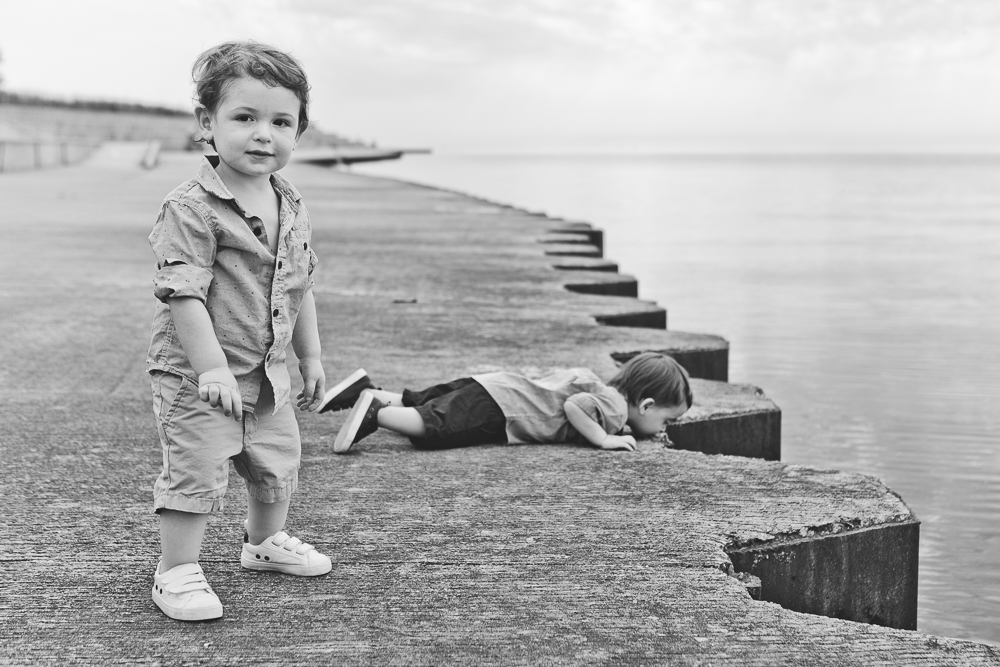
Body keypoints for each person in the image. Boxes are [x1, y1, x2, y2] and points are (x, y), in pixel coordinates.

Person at [146, 41, 330, 622]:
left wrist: (313, 359)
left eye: (281, 122)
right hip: (199, 374)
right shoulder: (191, 208)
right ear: (208, 123)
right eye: (244, 117)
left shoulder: (292, 204)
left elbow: (298, 289)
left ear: (299, 131)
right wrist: (212, 369)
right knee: (197, 467)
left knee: (276, 462)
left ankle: (263, 544)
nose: (262, 135)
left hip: (268, 371)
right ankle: (175, 570)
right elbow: (184, 294)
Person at [328, 353, 693, 454]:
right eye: (666, 420)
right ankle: (378, 414)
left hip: (493, 384)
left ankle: (371, 390)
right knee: (436, 427)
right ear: (645, 405)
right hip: (502, 408)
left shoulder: (603, 388)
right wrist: (603, 438)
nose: (663, 430)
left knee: (428, 401)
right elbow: (576, 408)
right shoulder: (612, 411)